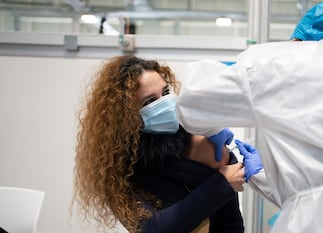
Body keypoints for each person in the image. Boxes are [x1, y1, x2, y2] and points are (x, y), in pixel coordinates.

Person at [176, 2, 323, 233]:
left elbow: (191, 99)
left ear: (300, 41)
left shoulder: (293, 60)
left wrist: (213, 127)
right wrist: (262, 174)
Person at [72, 55, 245, 233]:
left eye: (165, 93)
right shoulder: (119, 166)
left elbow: (230, 221)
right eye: (150, 101)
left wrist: (229, 159)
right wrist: (222, 183)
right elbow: (151, 228)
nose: (165, 104)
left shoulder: (196, 137)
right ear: (126, 115)